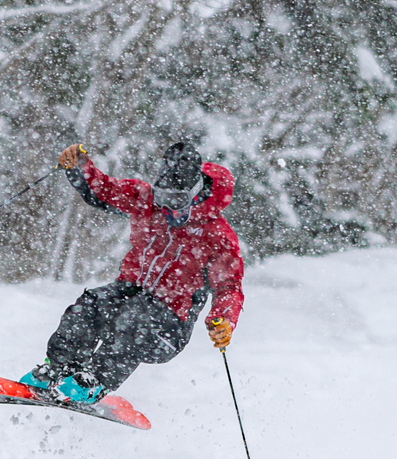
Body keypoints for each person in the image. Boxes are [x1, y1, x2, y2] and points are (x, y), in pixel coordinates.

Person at [20, 139, 245, 403]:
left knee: (134, 320)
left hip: (170, 324)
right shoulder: (146, 200)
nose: (169, 207)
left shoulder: (216, 235)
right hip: (132, 291)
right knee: (90, 306)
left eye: (177, 199)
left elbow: (229, 288)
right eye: (163, 197)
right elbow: (103, 190)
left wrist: (224, 321)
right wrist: (80, 166)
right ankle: (60, 368)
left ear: (197, 194)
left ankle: (95, 380)